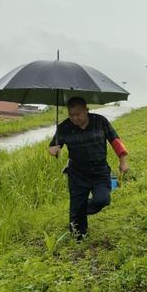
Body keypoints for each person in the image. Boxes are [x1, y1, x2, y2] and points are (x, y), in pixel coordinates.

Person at [49, 97, 129, 239]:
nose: (74, 118)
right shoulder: (64, 127)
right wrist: (53, 150)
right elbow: (54, 147)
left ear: (86, 111)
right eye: (71, 115)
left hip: (99, 171)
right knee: (76, 210)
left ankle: (79, 212)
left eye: (78, 114)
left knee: (102, 200)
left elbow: (115, 140)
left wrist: (122, 161)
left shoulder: (100, 121)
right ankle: (79, 238)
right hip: (77, 173)